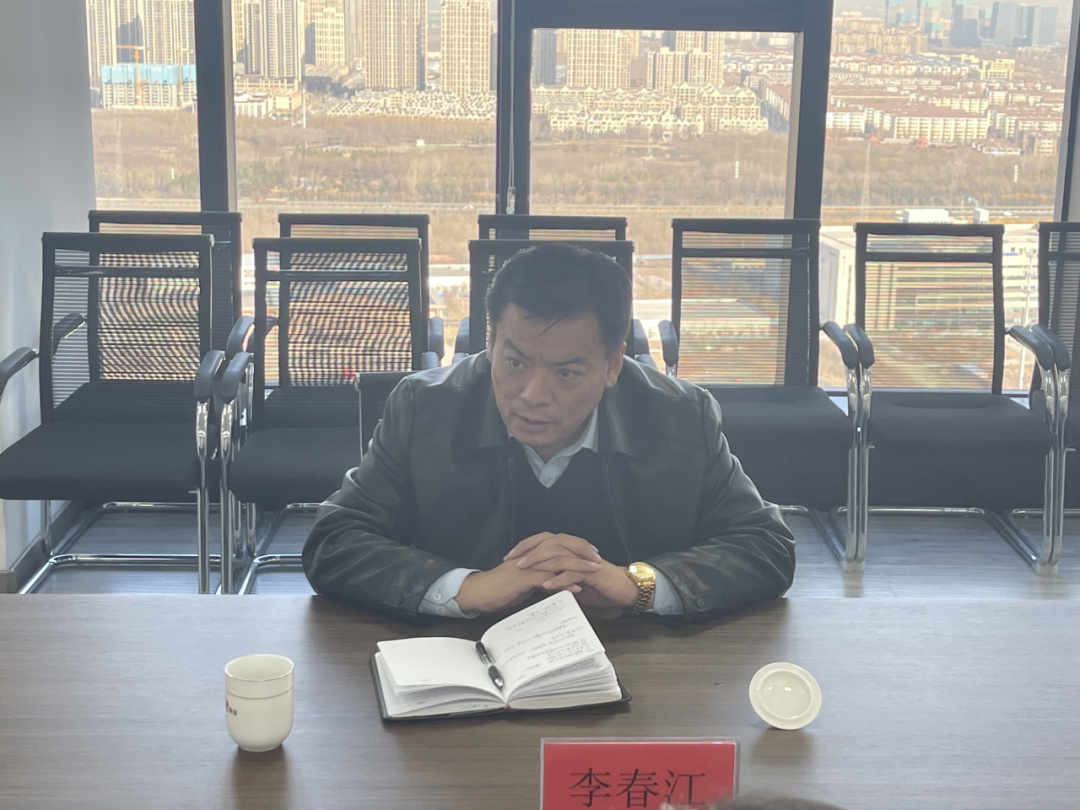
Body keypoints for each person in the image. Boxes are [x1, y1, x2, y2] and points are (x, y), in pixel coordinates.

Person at [302, 243, 795, 622]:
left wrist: (637, 585)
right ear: (490, 343)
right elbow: (335, 541)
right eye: (515, 362)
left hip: (637, 669)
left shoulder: (680, 416)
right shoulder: (423, 408)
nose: (532, 395)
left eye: (566, 373)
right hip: (464, 668)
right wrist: (467, 588)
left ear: (613, 364)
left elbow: (765, 545)